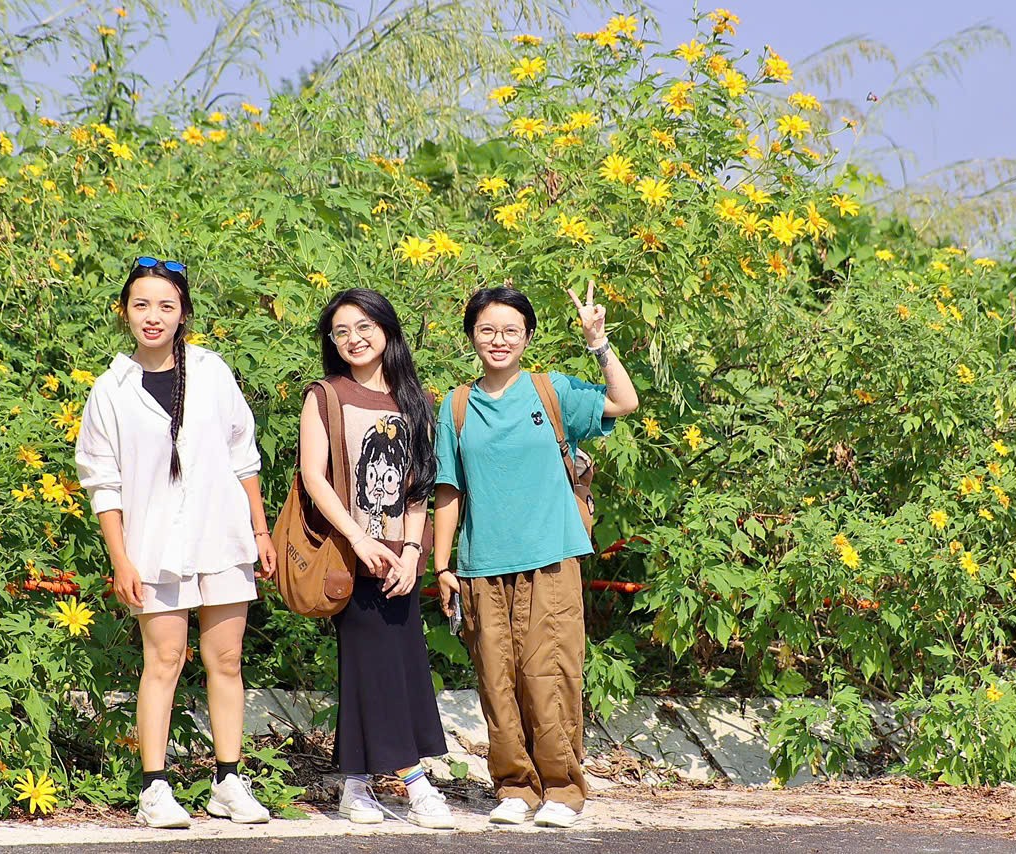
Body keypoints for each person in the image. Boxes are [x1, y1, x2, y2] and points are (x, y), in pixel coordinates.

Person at [75, 256, 276, 828]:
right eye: (142, 305)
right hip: (153, 548)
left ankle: (228, 782)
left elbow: (244, 457)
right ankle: (155, 788)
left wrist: (260, 532)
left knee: (227, 659)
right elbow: (103, 482)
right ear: (125, 312)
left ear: (183, 313)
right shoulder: (111, 390)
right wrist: (121, 558)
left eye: (166, 305)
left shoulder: (213, 372)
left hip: (223, 536)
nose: (153, 316)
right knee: (163, 659)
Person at [433, 283, 639, 828]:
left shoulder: (553, 393)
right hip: (481, 564)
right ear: (471, 336)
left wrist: (598, 343)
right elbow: (448, 492)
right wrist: (443, 565)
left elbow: (624, 402)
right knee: (496, 678)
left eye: (511, 331)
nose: (498, 340)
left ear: (527, 337)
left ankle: (563, 789)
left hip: (550, 556)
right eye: (487, 330)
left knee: (550, 673)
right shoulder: (455, 406)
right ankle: (514, 788)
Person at [298, 288, 454, 829]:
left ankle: (356, 786)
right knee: (375, 662)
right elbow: (314, 477)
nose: (353, 339)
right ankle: (414, 782)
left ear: (387, 329)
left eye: (362, 326)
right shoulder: (324, 395)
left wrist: (412, 550)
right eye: (340, 331)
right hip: (348, 553)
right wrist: (358, 538)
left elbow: (418, 486)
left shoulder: (412, 400)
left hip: (398, 556)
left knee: (396, 662)